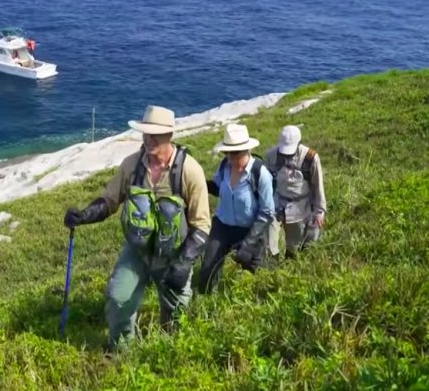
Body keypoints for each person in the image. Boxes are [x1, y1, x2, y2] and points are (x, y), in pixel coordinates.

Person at [63, 105, 211, 353]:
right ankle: (122, 351)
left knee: (177, 311)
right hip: (138, 249)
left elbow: (202, 224)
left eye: (155, 134)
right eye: (145, 133)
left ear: (169, 136)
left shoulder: (189, 170)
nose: (148, 139)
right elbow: (110, 200)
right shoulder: (132, 165)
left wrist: (184, 263)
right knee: (118, 297)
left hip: (173, 253)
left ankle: (169, 351)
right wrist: (84, 215)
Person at [198, 123, 275, 293]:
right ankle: (206, 303)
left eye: (235, 152)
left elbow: (267, 211)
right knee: (207, 270)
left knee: (255, 269)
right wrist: (198, 183)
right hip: (222, 226)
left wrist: (248, 243)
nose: (231, 157)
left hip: (249, 229)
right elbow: (218, 188)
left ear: (246, 150)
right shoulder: (224, 166)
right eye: (227, 152)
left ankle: (269, 293)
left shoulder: (260, 173)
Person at [264, 125, 327, 259]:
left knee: (293, 247)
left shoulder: (311, 158)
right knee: (269, 241)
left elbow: (317, 185)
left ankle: (289, 265)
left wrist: (319, 212)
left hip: (299, 207)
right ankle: (271, 263)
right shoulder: (270, 156)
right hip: (276, 203)